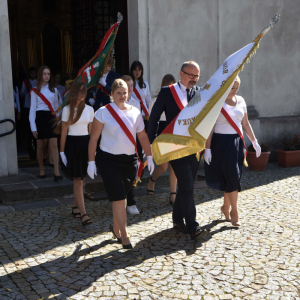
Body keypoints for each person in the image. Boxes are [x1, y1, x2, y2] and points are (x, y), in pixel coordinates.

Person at [87, 79, 154, 249]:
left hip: (129, 162)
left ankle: (116, 228)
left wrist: (150, 157)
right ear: (112, 94)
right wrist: (91, 162)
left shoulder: (135, 112)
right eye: (119, 93)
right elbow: (94, 138)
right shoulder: (102, 112)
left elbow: (143, 137)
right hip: (108, 161)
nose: (122, 96)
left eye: (125, 92)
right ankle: (124, 235)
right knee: (118, 198)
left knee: (122, 197)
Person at [148, 61, 208, 240]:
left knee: (185, 185)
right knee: (188, 184)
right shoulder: (168, 92)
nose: (194, 79)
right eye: (191, 75)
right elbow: (154, 118)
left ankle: (176, 219)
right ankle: (193, 227)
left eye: (197, 76)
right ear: (181, 74)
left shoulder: (198, 93)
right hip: (175, 147)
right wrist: (152, 144)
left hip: (194, 147)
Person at [204, 76, 261, 226]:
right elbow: (209, 127)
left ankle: (225, 207)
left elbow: (246, 123)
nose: (234, 90)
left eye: (236, 88)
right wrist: (207, 149)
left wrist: (254, 141)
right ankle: (235, 212)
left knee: (231, 176)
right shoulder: (217, 102)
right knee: (232, 176)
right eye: (231, 87)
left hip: (237, 143)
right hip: (220, 143)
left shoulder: (241, 101)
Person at [58, 81, 94, 226]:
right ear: (73, 92)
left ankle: (75, 206)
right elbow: (64, 132)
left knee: (82, 178)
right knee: (78, 180)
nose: (80, 94)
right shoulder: (67, 110)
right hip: (72, 146)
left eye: (83, 91)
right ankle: (84, 213)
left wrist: (93, 152)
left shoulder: (90, 110)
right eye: (78, 91)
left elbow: (91, 133)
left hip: (85, 145)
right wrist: (61, 152)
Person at [147, 74, 177, 205]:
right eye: (168, 85)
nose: (170, 88)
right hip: (162, 131)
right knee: (164, 166)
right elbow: (152, 119)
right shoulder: (156, 99)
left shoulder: (178, 98)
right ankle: (152, 179)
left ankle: (173, 195)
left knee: (174, 165)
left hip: (174, 131)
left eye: (172, 85)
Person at [29, 65, 63, 181]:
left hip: (51, 118)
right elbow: (32, 109)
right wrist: (33, 126)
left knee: (54, 144)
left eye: (48, 74)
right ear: (40, 75)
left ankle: (56, 172)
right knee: (40, 146)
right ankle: (41, 169)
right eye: (44, 74)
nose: (47, 76)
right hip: (40, 117)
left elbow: (58, 107)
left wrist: (58, 122)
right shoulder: (35, 90)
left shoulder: (55, 90)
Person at [120, 75, 141, 215]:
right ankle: (130, 201)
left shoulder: (136, 102)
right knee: (124, 172)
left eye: (132, 85)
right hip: (121, 142)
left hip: (134, 141)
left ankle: (127, 197)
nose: (130, 88)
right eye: (127, 86)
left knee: (133, 171)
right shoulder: (117, 103)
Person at [20, 67, 37, 159]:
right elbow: (21, 94)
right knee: (28, 128)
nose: (33, 75)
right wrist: (27, 88)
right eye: (31, 73)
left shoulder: (38, 82)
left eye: (34, 73)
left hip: (36, 108)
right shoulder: (25, 82)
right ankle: (29, 147)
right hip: (27, 107)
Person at [129, 61, 151, 131]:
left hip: (144, 113)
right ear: (132, 71)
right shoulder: (129, 84)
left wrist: (149, 111)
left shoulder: (145, 84)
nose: (137, 72)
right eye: (135, 70)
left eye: (139, 70)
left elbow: (148, 99)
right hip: (133, 112)